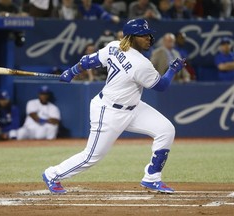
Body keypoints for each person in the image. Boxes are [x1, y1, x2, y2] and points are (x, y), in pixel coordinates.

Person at [42, 18, 186, 194]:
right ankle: (52, 174)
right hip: (108, 110)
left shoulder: (114, 46)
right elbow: (161, 86)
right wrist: (172, 70)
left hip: (133, 107)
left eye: (148, 34)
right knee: (91, 156)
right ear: (132, 37)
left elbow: (89, 61)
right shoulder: (141, 63)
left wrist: (72, 71)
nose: (148, 38)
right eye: (143, 35)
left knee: (166, 130)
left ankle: (152, 178)